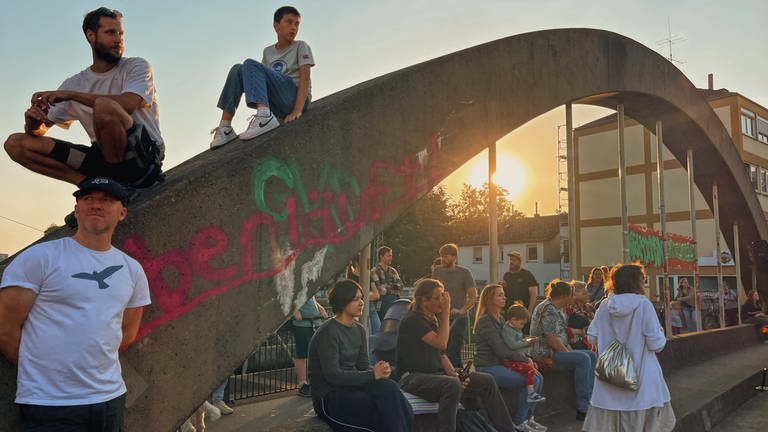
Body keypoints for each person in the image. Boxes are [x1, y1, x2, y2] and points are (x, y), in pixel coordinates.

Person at [0, 177, 151, 431]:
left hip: (109, 399)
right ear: (76, 210)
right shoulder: (40, 257)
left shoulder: (132, 270)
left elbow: (127, 333)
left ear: (122, 212)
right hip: (49, 404)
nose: (96, 205)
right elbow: (5, 329)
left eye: (107, 200)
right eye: (88, 198)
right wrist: (42, 372)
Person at [4, 7, 164, 190]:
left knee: (104, 107)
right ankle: (91, 186)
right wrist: (32, 124)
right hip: (101, 159)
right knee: (16, 144)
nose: (118, 39)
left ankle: (118, 186)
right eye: (111, 33)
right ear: (91, 35)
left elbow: (128, 104)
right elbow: (40, 131)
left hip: (142, 158)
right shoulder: (75, 83)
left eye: (121, 33)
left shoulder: (136, 66)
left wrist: (71, 95)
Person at [396, 279, 515, 432]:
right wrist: (446, 312)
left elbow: (441, 354)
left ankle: (507, 429)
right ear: (424, 301)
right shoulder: (413, 320)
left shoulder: (431, 319)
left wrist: (455, 374)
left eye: (443, 296)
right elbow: (442, 343)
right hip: (412, 377)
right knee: (451, 385)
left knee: (486, 380)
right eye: (437, 298)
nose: (442, 301)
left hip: (435, 376)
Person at [307, 279, 412, 431]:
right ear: (343, 302)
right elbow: (333, 375)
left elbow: (362, 367)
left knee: (389, 387)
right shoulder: (328, 332)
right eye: (356, 299)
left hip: (352, 388)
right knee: (378, 407)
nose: (362, 302)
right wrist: (372, 375)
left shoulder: (359, 330)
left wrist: (380, 371)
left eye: (361, 298)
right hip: (330, 396)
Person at [584, 264, 675, 432]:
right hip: (642, 380)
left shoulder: (605, 305)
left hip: (610, 379)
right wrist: (660, 332)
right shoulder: (643, 305)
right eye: (643, 280)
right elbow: (656, 344)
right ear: (636, 282)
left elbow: (591, 337)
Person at [209, 5, 314, 149]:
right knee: (237, 69)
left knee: (250, 64)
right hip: (278, 104)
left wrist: (297, 110)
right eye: (289, 22)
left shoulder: (301, 46)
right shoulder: (268, 52)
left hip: (295, 98)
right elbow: (260, 78)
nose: (293, 27)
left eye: (297, 24)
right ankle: (225, 126)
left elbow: (305, 79)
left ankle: (264, 116)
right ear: (276, 26)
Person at [473, 285, 547, 432]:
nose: (504, 297)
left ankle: (528, 418)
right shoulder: (485, 321)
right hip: (488, 367)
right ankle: (519, 422)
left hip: (502, 364)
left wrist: (526, 358)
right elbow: (500, 350)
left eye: (503, 294)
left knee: (539, 377)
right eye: (500, 295)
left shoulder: (499, 319)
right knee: (529, 381)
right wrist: (525, 360)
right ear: (489, 299)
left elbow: (510, 345)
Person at [529, 279, 596, 421]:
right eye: (571, 296)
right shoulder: (548, 309)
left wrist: (570, 353)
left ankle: (590, 400)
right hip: (547, 353)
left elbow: (562, 337)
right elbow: (551, 339)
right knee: (583, 359)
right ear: (565, 296)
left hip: (557, 350)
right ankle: (583, 408)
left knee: (591, 355)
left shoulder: (557, 309)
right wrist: (569, 355)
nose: (572, 299)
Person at [432, 243, 478, 367]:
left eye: (446, 256)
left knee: (453, 350)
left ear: (454, 257)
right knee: (440, 349)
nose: (442, 259)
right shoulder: (437, 271)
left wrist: (462, 310)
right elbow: (432, 293)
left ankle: (457, 376)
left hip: (458, 317)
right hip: (440, 316)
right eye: (441, 256)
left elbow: (473, 296)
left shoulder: (464, 272)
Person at [501, 304, 546, 403]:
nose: (522, 326)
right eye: (521, 324)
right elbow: (512, 345)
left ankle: (530, 413)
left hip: (520, 358)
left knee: (536, 372)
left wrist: (527, 342)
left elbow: (519, 343)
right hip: (512, 361)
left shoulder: (516, 329)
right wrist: (526, 342)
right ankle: (530, 393)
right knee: (530, 370)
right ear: (513, 320)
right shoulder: (507, 330)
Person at [292, 295, 328, 397]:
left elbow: (312, 299)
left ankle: (317, 381)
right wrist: (294, 311)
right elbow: (287, 297)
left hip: (316, 322)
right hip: (302, 323)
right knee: (302, 354)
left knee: (318, 354)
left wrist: (321, 309)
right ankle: (302, 384)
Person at [502, 251, 539, 319]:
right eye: (510, 260)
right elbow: (503, 294)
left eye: (513, 260)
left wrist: (529, 311)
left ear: (519, 262)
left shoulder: (527, 275)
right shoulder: (506, 275)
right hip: (509, 313)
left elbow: (533, 295)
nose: (511, 262)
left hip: (523, 313)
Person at [371, 246, 404, 321]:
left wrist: (387, 287)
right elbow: (380, 290)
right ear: (381, 257)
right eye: (388, 255)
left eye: (391, 255)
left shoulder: (393, 270)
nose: (391, 258)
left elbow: (401, 286)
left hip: (395, 304)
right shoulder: (374, 271)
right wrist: (394, 288)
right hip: (382, 305)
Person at [566, 281, 596, 351]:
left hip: (592, 338)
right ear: (575, 295)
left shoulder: (590, 307)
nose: (588, 295)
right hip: (577, 342)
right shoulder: (570, 309)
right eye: (584, 293)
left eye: (587, 292)